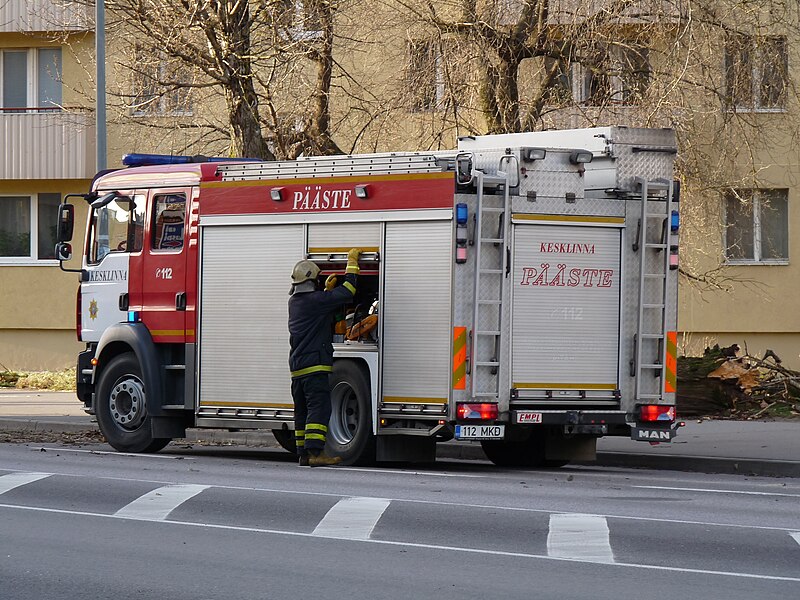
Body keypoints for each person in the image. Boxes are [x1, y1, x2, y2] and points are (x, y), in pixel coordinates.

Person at [288, 248, 361, 466]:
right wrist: (352, 263)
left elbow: (320, 306)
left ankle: (303, 453)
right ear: (312, 281)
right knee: (319, 409)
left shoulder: (295, 302)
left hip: (298, 367)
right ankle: (316, 453)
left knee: (302, 411)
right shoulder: (316, 301)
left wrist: (326, 291)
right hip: (315, 366)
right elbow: (348, 291)